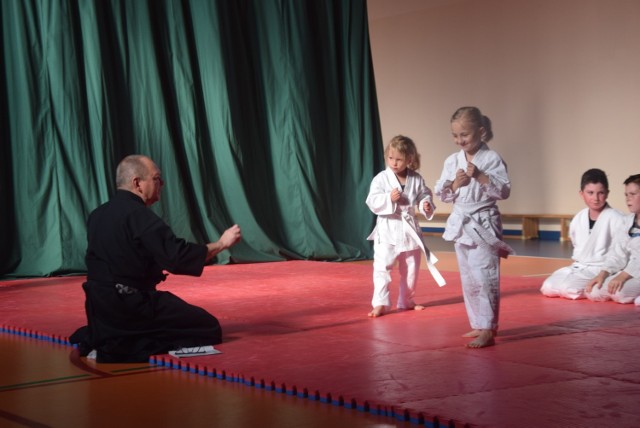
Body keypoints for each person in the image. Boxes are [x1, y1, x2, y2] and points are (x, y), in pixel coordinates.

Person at [69, 155, 242, 363]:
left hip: (99, 308)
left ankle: (111, 337)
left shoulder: (97, 214)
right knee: (208, 327)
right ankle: (123, 345)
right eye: (156, 178)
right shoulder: (138, 216)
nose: (162, 184)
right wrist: (222, 243)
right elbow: (177, 258)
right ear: (137, 183)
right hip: (132, 306)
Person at [434, 106, 513, 348]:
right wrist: (453, 184)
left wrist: (480, 176)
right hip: (461, 223)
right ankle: (478, 323)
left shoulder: (492, 159)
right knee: (468, 277)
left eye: (464, 135)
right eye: (455, 136)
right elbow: (441, 193)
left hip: (483, 223)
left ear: (480, 132)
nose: (460, 140)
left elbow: (504, 191)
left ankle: (488, 327)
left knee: (485, 275)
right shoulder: (451, 160)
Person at [366, 135, 444, 318]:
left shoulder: (416, 179)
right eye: (391, 158)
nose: (394, 162)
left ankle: (407, 300)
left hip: (409, 231)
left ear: (410, 159)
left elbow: (424, 194)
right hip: (387, 229)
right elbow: (372, 200)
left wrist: (425, 203)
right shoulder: (381, 179)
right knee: (382, 267)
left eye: (399, 159)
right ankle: (380, 303)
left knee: (411, 269)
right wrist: (388, 199)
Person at [540, 169, 624, 300]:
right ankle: (583, 285)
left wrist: (606, 271)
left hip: (601, 268)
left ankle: (597, 285)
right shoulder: (579, 217)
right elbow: (576, 244)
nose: (595, 198)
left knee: (568, 289)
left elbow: (622, 251)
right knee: (548, 287)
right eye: (590, 193)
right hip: (579, 266)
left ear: (607, 193)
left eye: (600, 193)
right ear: (581, 194)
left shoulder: (617, 218)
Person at [585, 174, 640, 304]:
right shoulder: (626, 222)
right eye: (626, 195)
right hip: (632, 272)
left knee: (620, 293)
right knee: (593, 292)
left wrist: (622, 276)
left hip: (633, 271)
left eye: (633, 194)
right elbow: (617, 254)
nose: (628, 199)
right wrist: (602, 275)